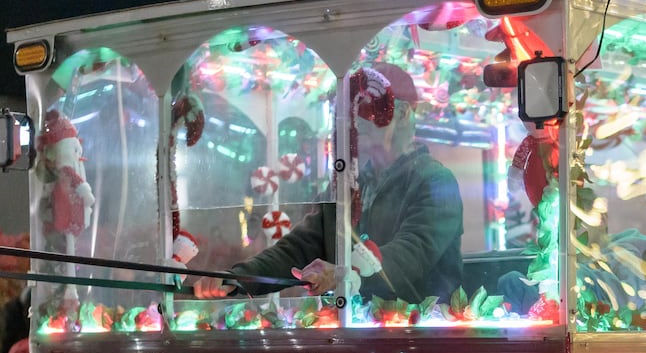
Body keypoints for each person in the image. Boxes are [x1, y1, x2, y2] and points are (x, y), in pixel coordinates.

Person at [194, 60, 463, 301]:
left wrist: (347, 273)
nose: (356, 121)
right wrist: (238, 278)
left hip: (420, 336)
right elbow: (299, 248)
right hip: (358, 332)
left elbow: (409, 255)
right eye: (352, 112)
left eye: (369, 110)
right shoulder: (350, 183)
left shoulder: (435, 181)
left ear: (403, 114)